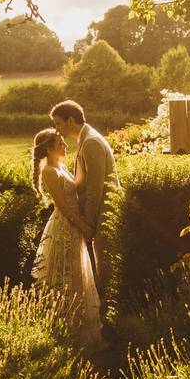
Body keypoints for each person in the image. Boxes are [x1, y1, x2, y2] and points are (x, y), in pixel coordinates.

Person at [29, 127, 101, 346]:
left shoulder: (61, 167)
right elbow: (63, 207)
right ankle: (66, 330)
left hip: (73, 227)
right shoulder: (49, 171)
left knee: (76, 277)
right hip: (64, 227)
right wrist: (84, 226)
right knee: (65, 278)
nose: (65, 145)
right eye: (61, 143)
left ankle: (80, 330)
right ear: (50, 148)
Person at [49, 100, 119, 297]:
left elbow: (95, 189)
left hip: (103, 213)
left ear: (71, 120)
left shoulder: (91, 143)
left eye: (58, 124)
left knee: (104, 266)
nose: (57, 129)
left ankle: (107, 314)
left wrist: (87, 222)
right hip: (97, 213)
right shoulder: (85, 139)